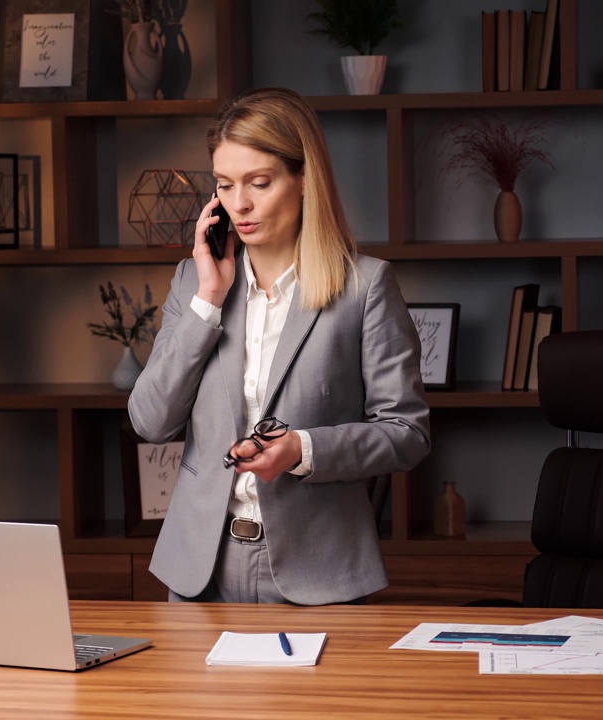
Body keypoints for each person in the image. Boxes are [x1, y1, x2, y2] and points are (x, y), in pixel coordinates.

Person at [127, 87, 430, 605]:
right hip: (200, 571)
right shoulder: (191, 283)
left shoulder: (365, 287)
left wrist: (304, 450)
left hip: (318, 571)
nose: (238, 203)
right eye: (224, 185)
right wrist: (208, 300)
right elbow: (151, 422)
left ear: (305, 179)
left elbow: (406, 433)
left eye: (259, 183)